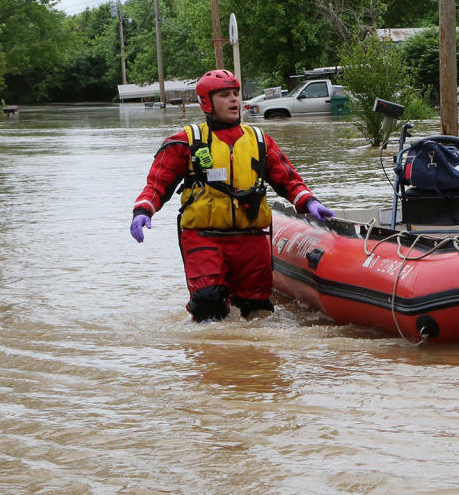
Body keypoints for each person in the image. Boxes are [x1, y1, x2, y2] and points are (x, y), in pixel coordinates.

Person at [129, 69, 335, 322]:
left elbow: (289, 180)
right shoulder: (185, 142)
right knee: (208, 305)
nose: (234, 100)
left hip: (251, 239)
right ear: (207, 102)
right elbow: (157, 184)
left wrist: (310, 202)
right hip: (204, 238)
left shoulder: (260, 141)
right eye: (225, 95)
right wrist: (142, 211)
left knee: (257, 310)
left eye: (236, 94)